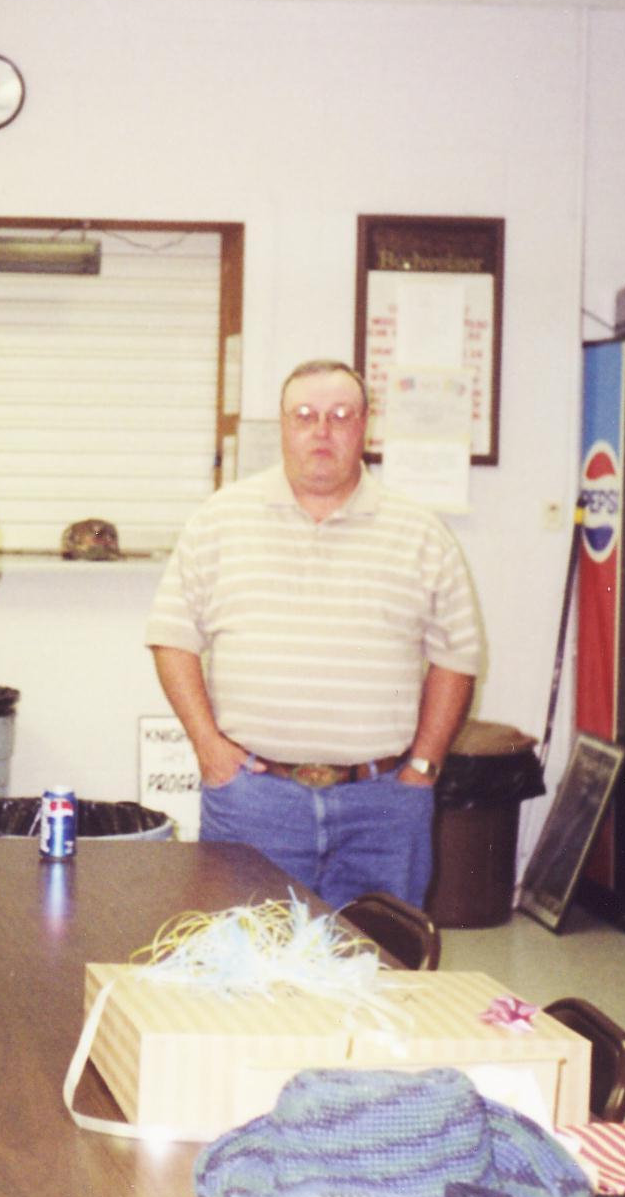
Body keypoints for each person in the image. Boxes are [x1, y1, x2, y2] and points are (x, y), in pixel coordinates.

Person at [145, 358, 480, 908]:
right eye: (304, 415)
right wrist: (209, 748)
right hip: (254, 801)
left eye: (340, 416)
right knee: (249, 957)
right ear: (283, 425)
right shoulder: (218, 520)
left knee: (378, 956)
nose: (321, 431)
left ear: (365, 426)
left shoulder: (421, 533)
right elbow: (172, 637)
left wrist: (423, 767)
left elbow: (457, 657)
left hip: (383, 808)